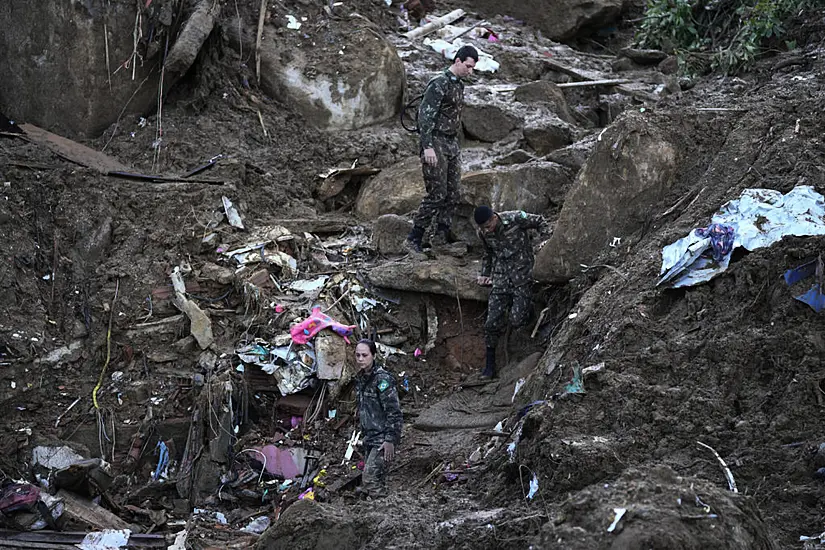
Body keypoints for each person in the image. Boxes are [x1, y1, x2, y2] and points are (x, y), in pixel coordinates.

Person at [404, 45, 479, 254]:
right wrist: (427, 146)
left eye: (472, 68)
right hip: (435, 142)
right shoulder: (439, 83)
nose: (470, 71)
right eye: (468, 66)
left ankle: (440, 237)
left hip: (451, 143)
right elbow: (425, 117)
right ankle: (414, 238)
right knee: (437, 192)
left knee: (453, 193)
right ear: (457, 61)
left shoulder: (459, 85)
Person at [474, 205, 549, 379]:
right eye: (482, 228)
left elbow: (540, 221)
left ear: (494, 217)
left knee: (517, 319)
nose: (486, 230)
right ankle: (490, 366)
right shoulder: (483, 234)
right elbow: (488, 254)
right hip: (501, 278)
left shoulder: (515, 218)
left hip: (522, 275)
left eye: (488, 225)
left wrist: (544, 243)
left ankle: (531, 311)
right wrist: (485, 274)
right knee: (491, 322)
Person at [354, 339, 403, 497]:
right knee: (373, 480)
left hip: (382, 439)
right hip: (369, 437)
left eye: (364, 355)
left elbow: (394, 412)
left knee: (370, 479)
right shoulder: (361, 379)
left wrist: (390, 440)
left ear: (373, 355)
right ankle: (378, 511)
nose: (360, 359)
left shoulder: (382, 380)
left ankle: (384, 513)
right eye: (357, 355)